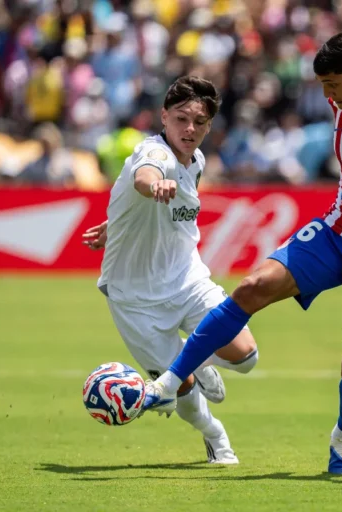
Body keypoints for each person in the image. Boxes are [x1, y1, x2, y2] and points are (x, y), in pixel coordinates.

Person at [142, 31, 342, 475]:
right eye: (322, 86)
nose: (327, 95)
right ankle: (169, 383)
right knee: (252, 286)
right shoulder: (340, 100)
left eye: (332, 85)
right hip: (339, 228)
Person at [81, 75, 259, 464]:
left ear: (209, 126)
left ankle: (192, 358)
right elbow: (146, 177)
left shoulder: (195, 161)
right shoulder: (153, 154)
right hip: (136, 300)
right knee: (184, 389)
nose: (189, 128)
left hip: (186, 278)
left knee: (246, 356)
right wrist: (154, 186)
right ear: (164, 117)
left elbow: (139, 204)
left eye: (199, 121)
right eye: (181, 119)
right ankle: (215, 435)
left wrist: (115, 224)